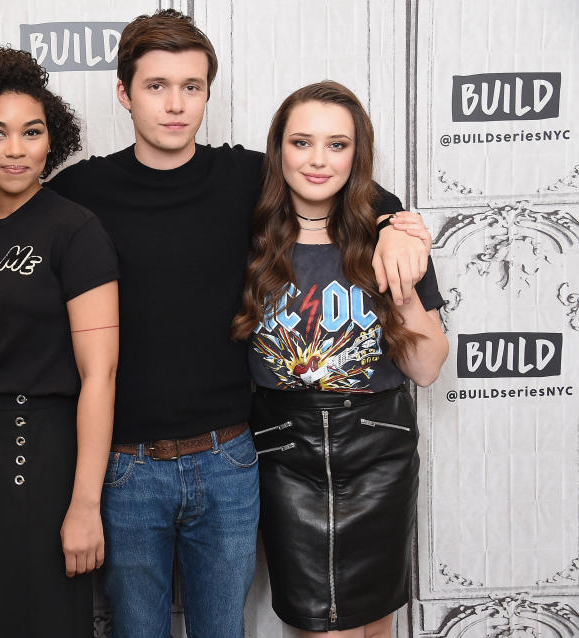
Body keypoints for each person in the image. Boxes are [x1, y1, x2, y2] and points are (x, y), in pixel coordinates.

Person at [0, 10, 428, 637]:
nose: (174, 105)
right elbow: (3, 214)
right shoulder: (84, 191)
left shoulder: (245, 177)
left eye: (191, 87)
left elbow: (335, 183)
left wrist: (399, 224)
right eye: (156, 86)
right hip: (126, 466)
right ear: (123, 93)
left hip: (231, 460)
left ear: (208, 93)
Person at [233, 81, 448, 637]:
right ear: (278, 148)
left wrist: (396, 264)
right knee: (313, 626)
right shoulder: (247, 234)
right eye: (302, 142)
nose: (318, 160)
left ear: (358, 154)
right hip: (285, 449)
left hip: (377, 446)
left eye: (337, 144)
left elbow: (425, 368)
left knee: (374, 624)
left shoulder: (390, 236)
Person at [0, 47, 119, 638]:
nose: (15, 149)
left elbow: (100, 374)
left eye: (31, 132)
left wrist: (85, 505)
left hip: (38, 447)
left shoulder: (75, 229)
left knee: (35, 617)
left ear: (50, 141)